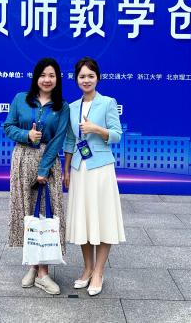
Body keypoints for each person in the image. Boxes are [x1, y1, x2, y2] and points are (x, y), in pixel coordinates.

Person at [4, 57, 70, 295]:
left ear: (57, 79)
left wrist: (43, 170)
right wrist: (26, 135)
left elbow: (58, 140)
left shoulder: (62, 107)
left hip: (47, 163)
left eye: (52, 75)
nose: (47, 79)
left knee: (46, 213)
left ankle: (44, 273)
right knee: (27, 211)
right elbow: (8, 126)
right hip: (22, 159)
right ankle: (32, 266)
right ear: (36, 77)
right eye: (43, 75)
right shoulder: (20, 99)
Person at [64, 56, 126, 296]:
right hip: (79, 169)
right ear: (76, 80)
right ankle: (88, 268)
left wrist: (96, 129)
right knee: (84, 218)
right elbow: (70, 140)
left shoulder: (108, 103)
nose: (86, 80)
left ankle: (99, 272)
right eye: (82, 76)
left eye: (91, 76)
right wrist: (66, 169)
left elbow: (117, 135)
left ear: (97, 78)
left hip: (101, 168)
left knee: (103, 218)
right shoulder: (72, 107)